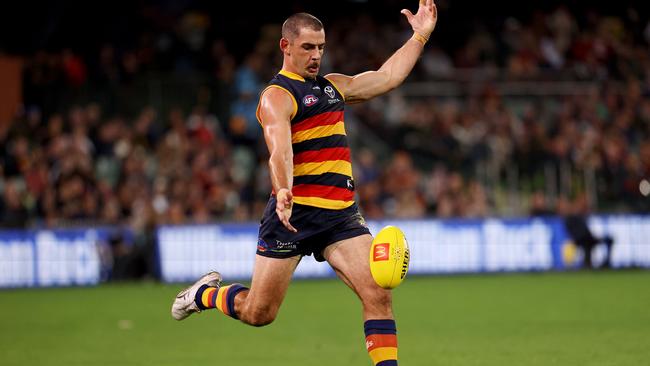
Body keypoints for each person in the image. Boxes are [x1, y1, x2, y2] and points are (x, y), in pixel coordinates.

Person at [171, 2, 438, 365]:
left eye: (321, 47)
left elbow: (387, 76)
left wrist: (420, 35)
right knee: (259, 313)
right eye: (308, 47)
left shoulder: (333, 87)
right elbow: (278, 150)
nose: (316, 56)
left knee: (378, 293)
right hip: (293, 217)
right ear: (286, 46)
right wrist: (282, 188)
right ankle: (205, 294)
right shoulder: (276, 96)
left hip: (341, 218)